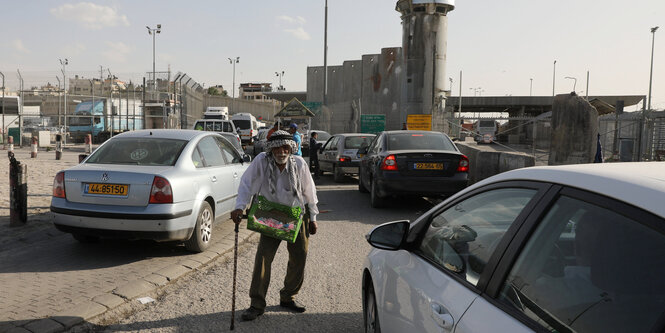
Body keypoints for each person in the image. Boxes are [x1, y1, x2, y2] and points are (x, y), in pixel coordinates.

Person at [231, 130, 319, 321]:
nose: (281, 151)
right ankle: (256, 304)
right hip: (270, 215)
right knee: (263, 258)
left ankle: (288, 297)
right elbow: (247, 184)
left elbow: (309, 190)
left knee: (299, 256)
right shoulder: (262, 161)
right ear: (271, 149)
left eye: (285, 147)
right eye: (277, 148)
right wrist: (239, 207)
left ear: (291, 148)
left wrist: (313, 217)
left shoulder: (299, 163)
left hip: (296, 215)